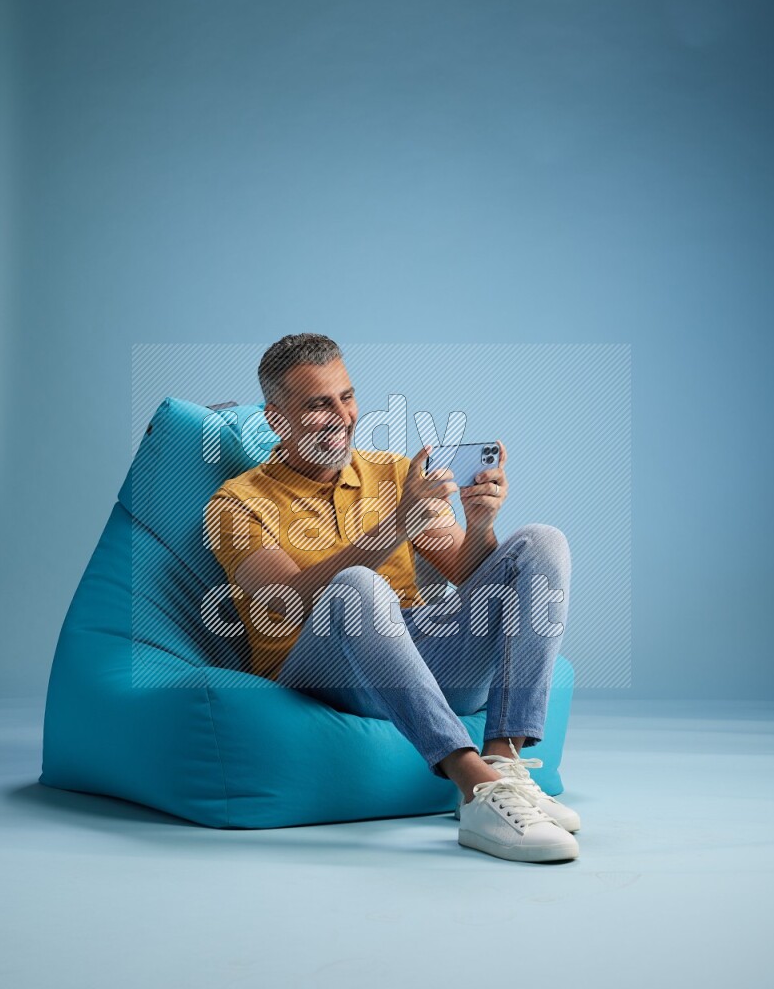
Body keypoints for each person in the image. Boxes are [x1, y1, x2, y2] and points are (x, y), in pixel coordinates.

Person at [204, 333, 580, 863]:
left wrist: (480, 523)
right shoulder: (236, 503)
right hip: (320, 674)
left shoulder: (394, 474)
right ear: (277, 419)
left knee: (541, 542)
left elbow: (469, 573)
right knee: (359, 588)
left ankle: (505, 767)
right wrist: (393, 528)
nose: (341, 415)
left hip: (420, 652)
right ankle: (473, 789)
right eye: (318, 405)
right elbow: (285, 600)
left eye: (347, 396)